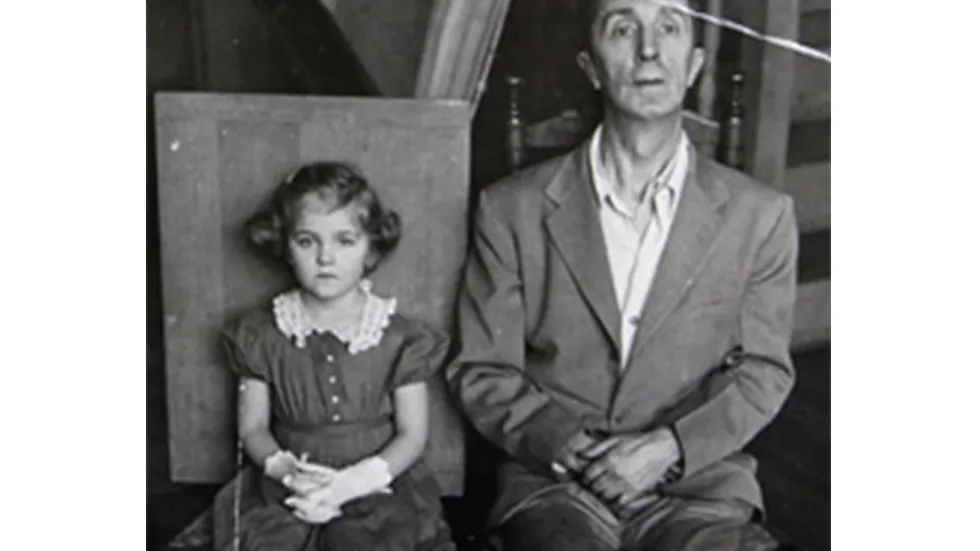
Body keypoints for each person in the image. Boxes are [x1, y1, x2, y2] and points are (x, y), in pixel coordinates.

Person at [445, 1, 799, 550]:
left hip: (697, 490)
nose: (648, 49)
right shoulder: (511, 209)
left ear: (694, 65)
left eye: (669, 27)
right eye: (623, 28)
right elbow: (482, 369)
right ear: (590, 67)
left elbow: (762, 372)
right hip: (558, 487)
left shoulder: (761, 216)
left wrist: (670, 447)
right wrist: (566, 445)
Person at [219, 162, 456, 551]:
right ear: (285, 247)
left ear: (370, 248)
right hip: (288, 486)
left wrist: (352, 484)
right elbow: (252, 429)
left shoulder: (400, 338)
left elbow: (412, 435)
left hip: (378, 487)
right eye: (307, 241)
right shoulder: (259, 335)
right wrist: (288, 473)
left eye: (345, 241)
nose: (325, 257)